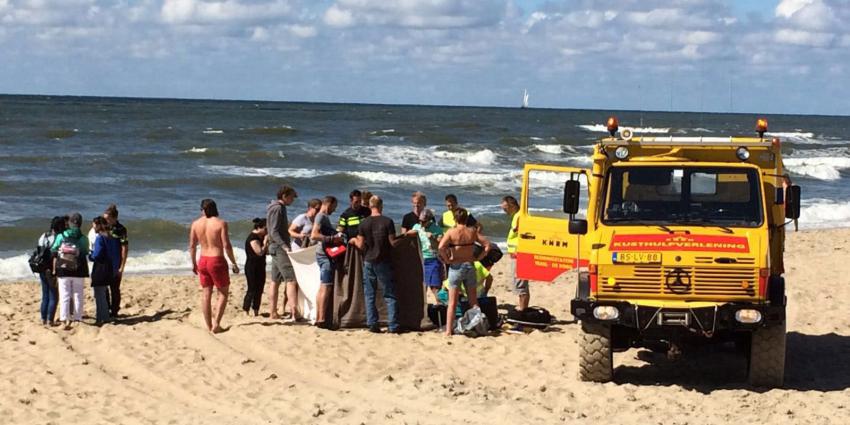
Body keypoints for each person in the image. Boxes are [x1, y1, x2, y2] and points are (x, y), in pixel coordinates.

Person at [351, 196, 405, 334]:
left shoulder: (363, 223)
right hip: (384, 260)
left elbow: (361, 245)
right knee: (389, 294)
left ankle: (372, 323)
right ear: (381, 205)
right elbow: (393, 242)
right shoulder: (387, 221)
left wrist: (353, 240)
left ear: (370, 206)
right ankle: (393, 325)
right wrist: (405, 237)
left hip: (368, 260)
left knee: (370, 294)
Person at [189, 199, 239, 333]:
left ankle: (209, 325)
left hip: (203, 260)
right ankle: (216, 324)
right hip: (216, 260)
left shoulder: (195, 224)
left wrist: (193, 262)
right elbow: (226, 245)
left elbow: (192, 246)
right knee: (223, 293)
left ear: (202, 210)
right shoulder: (221, 223)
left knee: (206, 293)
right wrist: (233, 262)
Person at [438, 208, 490, 336]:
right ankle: (479, 326)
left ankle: (449, 331)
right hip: (469, 265)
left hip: (456, 266)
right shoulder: (471, 231)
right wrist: (479, 257)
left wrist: (447, 259)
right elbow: (487, 245)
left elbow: (440, 247)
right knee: (473, 301)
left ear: (455, 218)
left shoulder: (452, 232)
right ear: (466, 218)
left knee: (452, 302)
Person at [50, 212, 90, 330]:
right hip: (79, 269)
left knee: (65, 294)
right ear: (80, 224)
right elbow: (85, 251)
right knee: (78, 294)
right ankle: (78, 318)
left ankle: (64, 318)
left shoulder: (61, 236)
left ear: (70, 223)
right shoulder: (83, 238)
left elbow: (54, 249)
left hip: (63, 268)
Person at [267, 185, 298, 320]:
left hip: (274, 247)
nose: (293, 200)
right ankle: (294, 313)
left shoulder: (274, 207)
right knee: (291, 279)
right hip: (278, 248)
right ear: (284, 195)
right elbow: (273, 231)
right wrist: (285, 246)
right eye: (291, 197)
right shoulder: (278, 208)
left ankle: (273, 312)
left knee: (275, 280)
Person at [310, 196, 342, 329]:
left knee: (323, 285)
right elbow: (314, 235)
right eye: (334, 207)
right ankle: (322, 318)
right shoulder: (321, 216)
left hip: (322, 254)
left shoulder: (322, 217)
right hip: (325, 255)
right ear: (329, 204)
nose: (334, 211)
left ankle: (320, 317)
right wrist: (332, 239)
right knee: (326, 286)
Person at [89, 217, 121, 325]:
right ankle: (106, 316)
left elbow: (97, 254)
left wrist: (90, 256)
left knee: (99, 294)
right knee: (102, 292)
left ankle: (100, 318)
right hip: (109, 267)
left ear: (98, 225)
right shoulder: (112, 237)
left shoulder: (100, 238)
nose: (93, 227)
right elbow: (116, 253)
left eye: (94, 225)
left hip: (100, 267)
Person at [408, 208, 444, 303]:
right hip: (420, 259)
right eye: (419, 221)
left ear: (429, 220)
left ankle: (439, 305)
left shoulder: (437, 229)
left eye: (423, 221)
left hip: (432, 258)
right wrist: (408, 234)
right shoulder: (416, 227)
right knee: (421, 286)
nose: (421, 223)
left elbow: (440, 245)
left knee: (434, 286)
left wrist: (433, 238)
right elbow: (408, 237)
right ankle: (421, 307)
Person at [501, 195, 529, 311]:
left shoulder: (520, 217)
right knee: (519, 285)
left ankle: (523, 310)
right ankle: (523, 308)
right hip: (516, 255)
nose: (504, 211)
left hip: (519, 255)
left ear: (511, 205)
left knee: (521, 285)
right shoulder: (516, 216)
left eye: (505, 208)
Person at [37, 216, 65, 326]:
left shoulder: (44, 236)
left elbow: (39, 250)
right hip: (52, 269)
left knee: (45, 295)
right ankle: (50, 320)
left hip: (41, 268)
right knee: (54, 295)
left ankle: (43, 319)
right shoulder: (59, 238)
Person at [103, 204, 129, 318]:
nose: (105, 220)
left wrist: (122, 266)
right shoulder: (104, 227)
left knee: (114, 288)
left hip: (116, 262)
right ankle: (106, 308)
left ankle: (114, 311)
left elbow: (125, 248)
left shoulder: (121, 229)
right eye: (104, 218)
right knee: (104, 287)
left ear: (114, 218)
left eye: (107, 218)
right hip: (105, 262)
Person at [243, 218, 269, 317]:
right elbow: (259, 252)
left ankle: (256, 309)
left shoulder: (260, 237)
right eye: (265, 229)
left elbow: (265, 252)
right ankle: (246, 310)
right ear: (259, 228)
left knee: (260, 288)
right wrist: (266, 241)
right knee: (252, 289)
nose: (267, 232)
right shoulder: (253, 238)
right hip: (252, 267)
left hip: (261, 266)